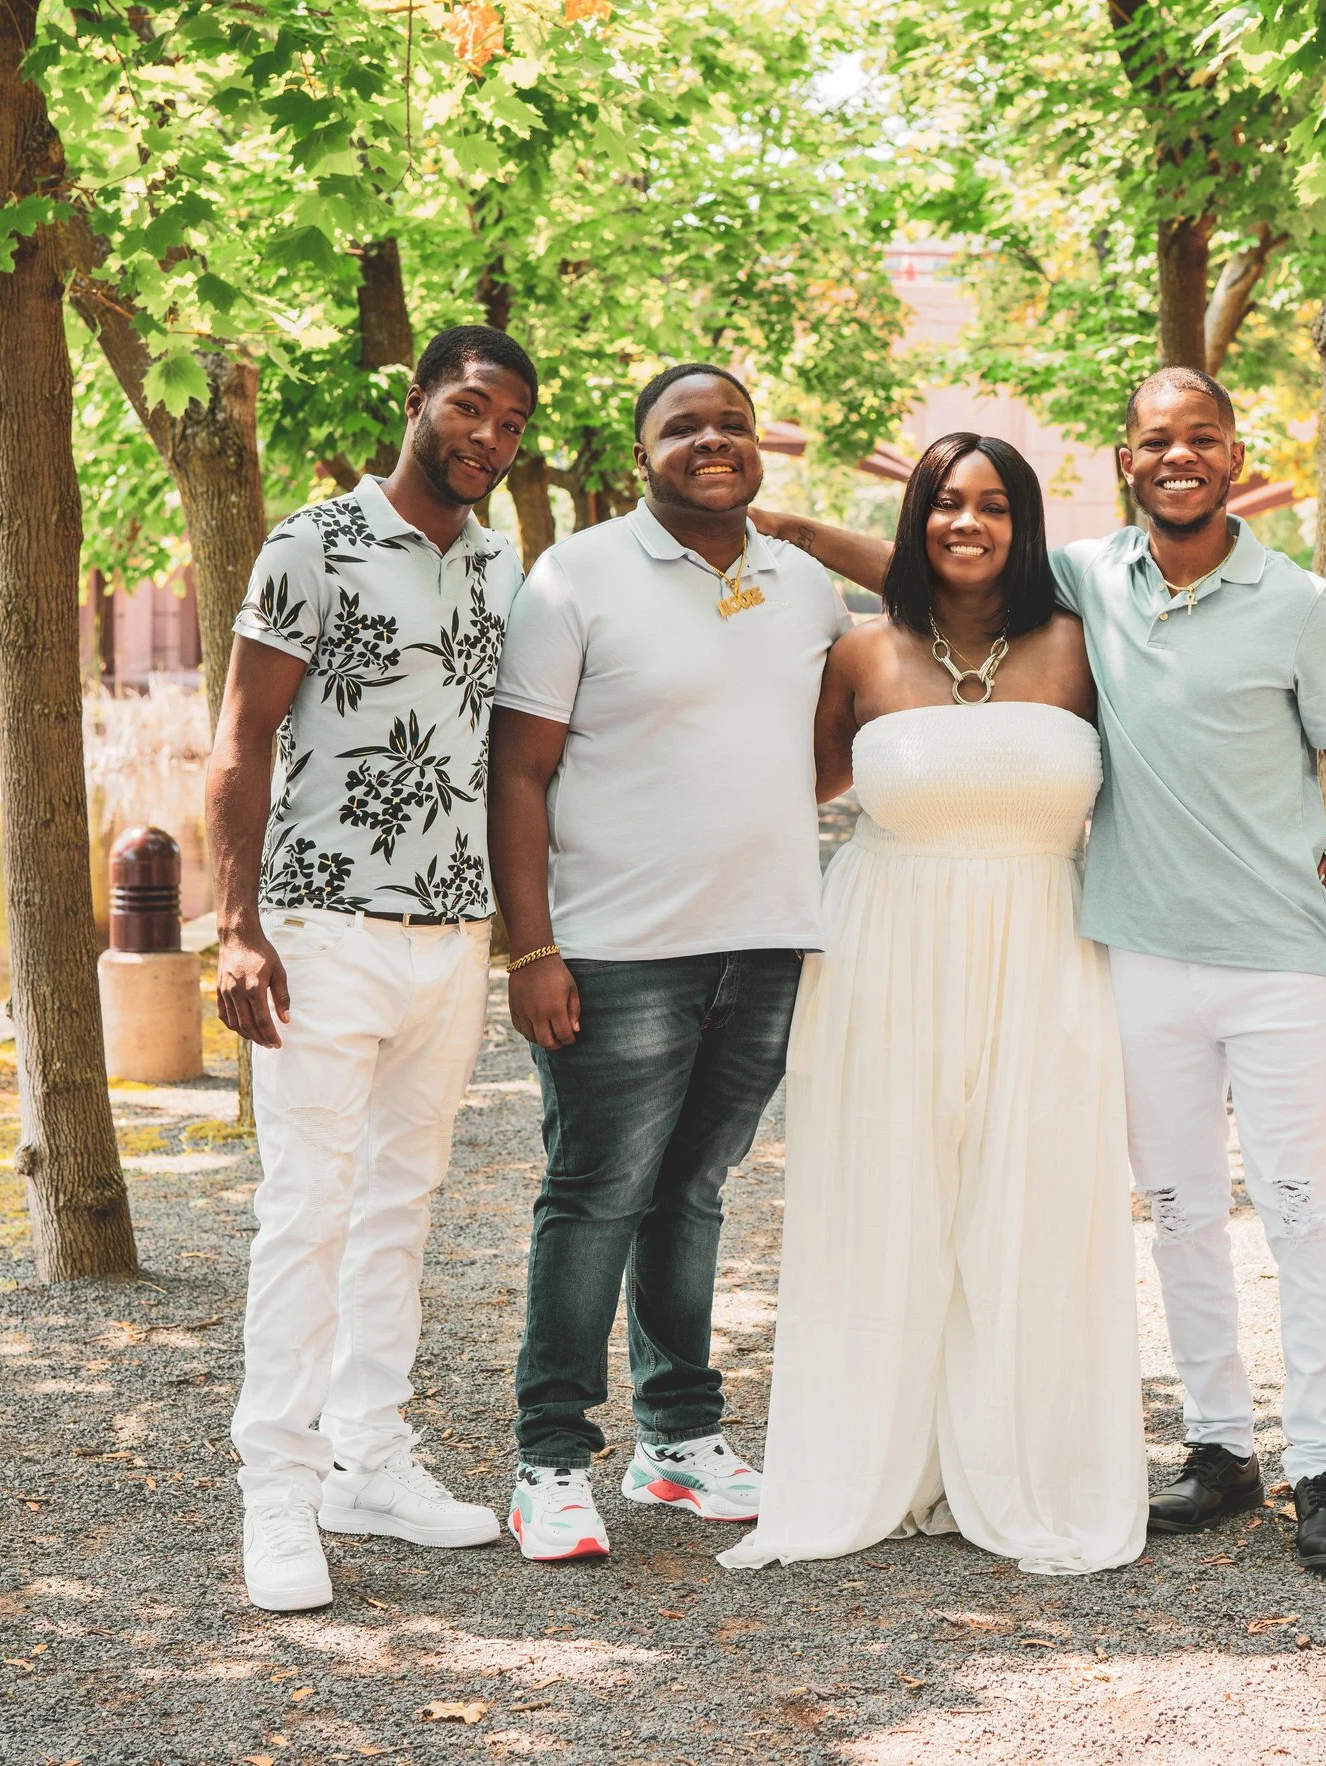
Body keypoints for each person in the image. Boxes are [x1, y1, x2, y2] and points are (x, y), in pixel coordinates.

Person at [757, 367, 1326, 1576]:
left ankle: (1325, 1466)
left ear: (1234, 454)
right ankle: (1220, 1447)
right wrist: (791, 527)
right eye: (1156, 440)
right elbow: (945, 554)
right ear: (1126, 461)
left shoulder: (1300, 604)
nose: (1179, 456)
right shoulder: (1089, 581)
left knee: (1299, 1211)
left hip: (1277, 954)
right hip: (1136, 952)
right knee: (1176, 1213)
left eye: (1202, 437)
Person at [717, 434, 1147, 1578]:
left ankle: (1020, 1461)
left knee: (1034, 1202)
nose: (969, 522)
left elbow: (1172, 767)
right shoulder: (860, 650)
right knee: (882, 1196)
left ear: (1024, 524)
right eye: (946, 502)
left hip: (1047, 943)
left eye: (994, 505)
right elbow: (788, 789)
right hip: (883, 950)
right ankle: (876, 1458)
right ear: (915, 518)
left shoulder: (1080, 644)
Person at [487, 364, 852, 1562]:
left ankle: (677, 1439)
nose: (712, 440)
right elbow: (517, 772)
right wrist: (531, 946)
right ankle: (548, 1461)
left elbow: (816, 749)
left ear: (759, 446)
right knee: (594, 1195)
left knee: (692, 1192)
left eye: (732, 424)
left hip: (764, 944)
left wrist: (761, 819)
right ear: (639, 451)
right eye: (682, 426)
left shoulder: (801, 585)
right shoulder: (575, 575)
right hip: (614, 950)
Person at [209, 326, 538, 1612]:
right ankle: (277, 1493)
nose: (488, 438)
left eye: (511, 425)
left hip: (450, 937)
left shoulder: (502, 565)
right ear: (417, 400)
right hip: (320, 929)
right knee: (308, 1209)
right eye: (470, 408)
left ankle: (370, 1460)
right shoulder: (314, 542)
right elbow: (241, 738)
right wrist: (235, 925)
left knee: (401, 1204)